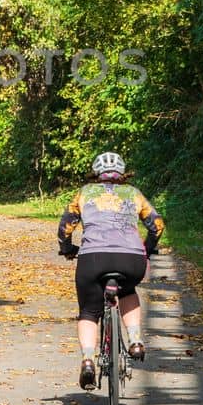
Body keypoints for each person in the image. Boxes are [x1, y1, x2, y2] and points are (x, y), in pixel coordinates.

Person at [57, 151, 164, 391]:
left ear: (96, 174)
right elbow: (157, 225)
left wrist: (67, 249)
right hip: (131, 260)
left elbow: (65, 226)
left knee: (88, 310)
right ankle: (135, 340)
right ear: (122, 174)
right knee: (127, 291)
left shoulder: (85, 193)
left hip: (93, 259)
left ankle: (87, 360)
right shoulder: (134, 193)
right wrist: (146, 249)